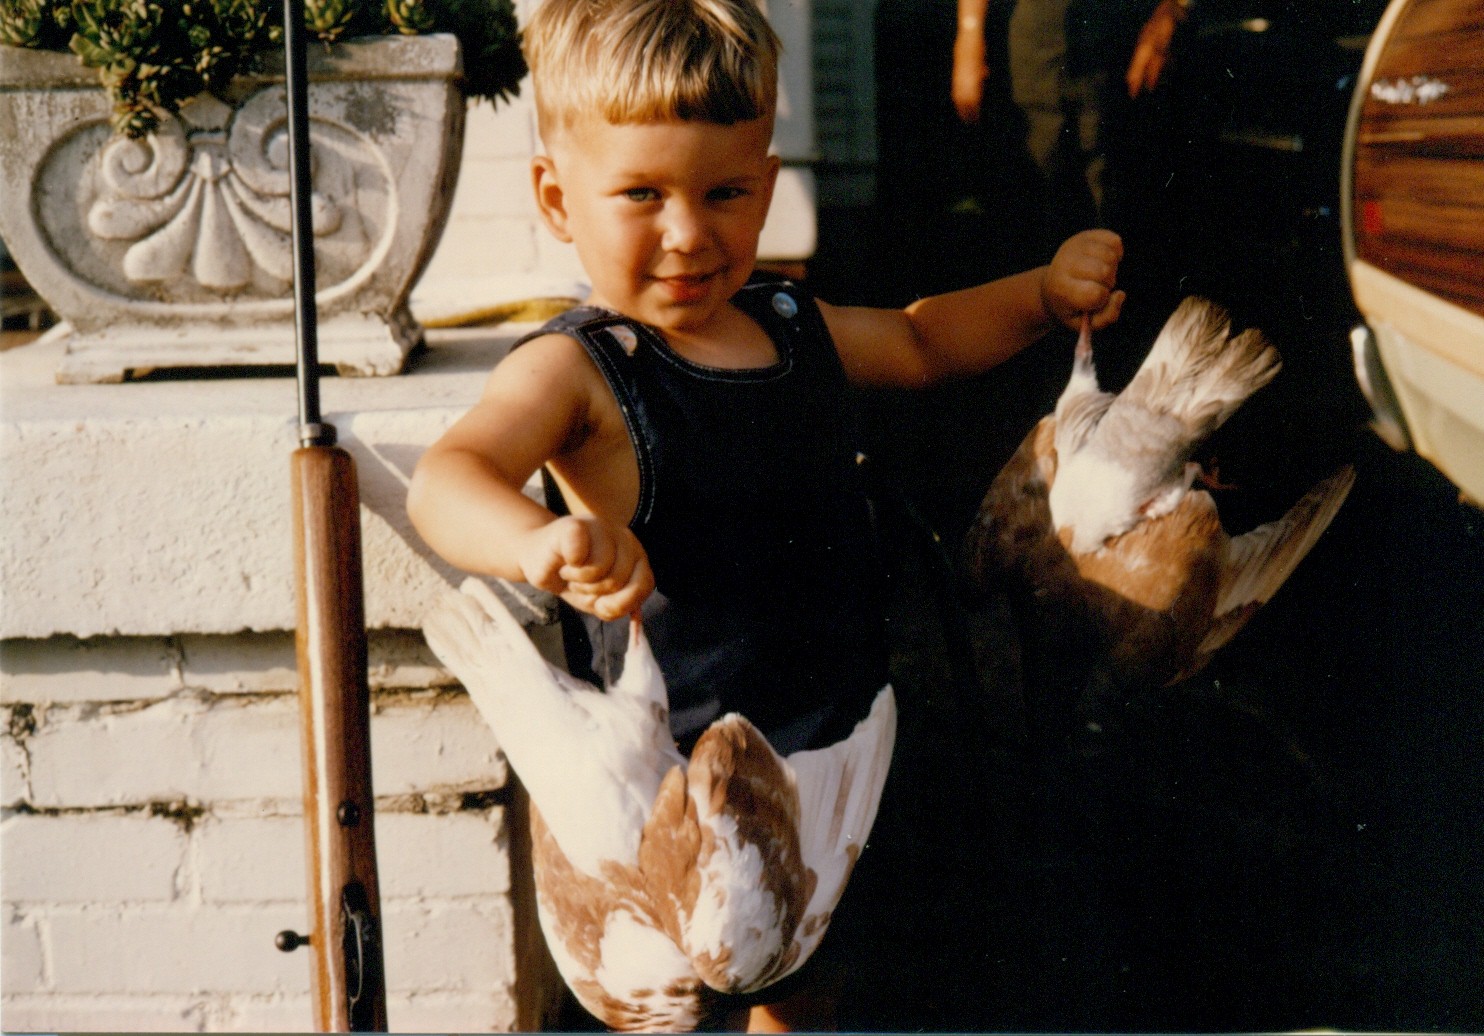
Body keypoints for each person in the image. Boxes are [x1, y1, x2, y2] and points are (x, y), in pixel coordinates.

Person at [407, 0, 1124, 1028]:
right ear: (556, 200)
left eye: (725, 191)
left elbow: (920, 343)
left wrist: (1039, 294)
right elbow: (449, 474)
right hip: (679, 791)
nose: (689, 233)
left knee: (814, 985)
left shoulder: (790, 323)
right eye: (641, 195)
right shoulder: (579, 371)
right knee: (682, 1001)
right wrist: (535, 539)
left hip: (832, 744)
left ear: (767, 189)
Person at [952, 0, 1194, 262]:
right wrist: (969, 31)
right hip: (1035, 44)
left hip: (1127, 43)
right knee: (1031, 205)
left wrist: (1175, 8)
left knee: (1121, 212)